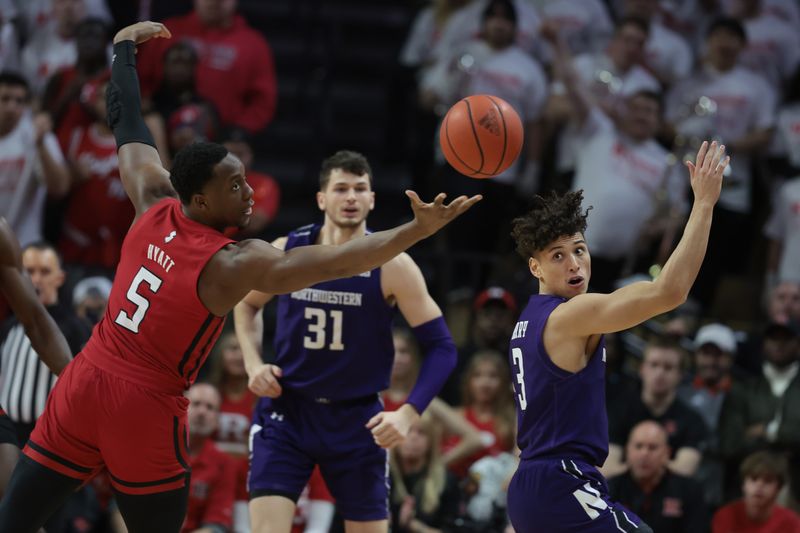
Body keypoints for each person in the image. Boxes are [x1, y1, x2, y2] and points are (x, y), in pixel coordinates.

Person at [0, 21, 479, 533]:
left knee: (15, 520)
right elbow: (341, 262)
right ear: (202, 199)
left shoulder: (153, 196)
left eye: (245, 178)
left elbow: (127, 121)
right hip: (144, 401)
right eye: (234, 184)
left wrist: (122, 52)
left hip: (85, 379)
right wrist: (416, 229)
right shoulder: (232, 261)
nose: (249, 191)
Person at [234, 148, 465, 533]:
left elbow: (443, 346)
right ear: (321, 198)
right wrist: (252, 362)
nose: (352, 197)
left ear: (373, 199)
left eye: (360, 188)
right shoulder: (287, 250)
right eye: (341, 189)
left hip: (357, 419)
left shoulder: (394, 265)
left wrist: (408, 414)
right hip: (288, 410)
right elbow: (246, 306)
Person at [505, 139, 728, 533]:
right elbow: (669, 292)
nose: (574, 264)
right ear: (535, 268)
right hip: (561, 482)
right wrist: (704, 205)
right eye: (557, 256)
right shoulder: (570, 314)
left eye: (579, 249)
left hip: (535, 485)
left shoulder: (528, 319)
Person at [0, 218, 72, 498]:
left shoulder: (2, 233)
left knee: (15, 513)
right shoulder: (8, 330)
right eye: (33, 271)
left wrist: (81, 395)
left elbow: (38, 322)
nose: (37, 278)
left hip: (37, 429)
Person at [0, 241, 91, 445]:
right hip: (8, 434)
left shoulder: (76, 328)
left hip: (48, 439)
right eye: (29, 272)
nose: (36, 280)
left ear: (60, 278)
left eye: (45, 272)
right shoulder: (9, 326)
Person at [604, 337, 708, 479]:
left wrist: (636, 463)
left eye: (668, 367)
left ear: (680, 375)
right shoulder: (617, 411)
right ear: (642, 369)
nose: (660, 373)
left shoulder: (692, 420)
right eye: (654, 365)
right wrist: (659, 463)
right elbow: (607, 469)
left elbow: (684, 471)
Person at [608, 421, 709, 533]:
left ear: (667, 452)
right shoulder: (609, 488)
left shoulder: (689, 490)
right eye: (638, 446)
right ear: (627, 450)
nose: (644, 454)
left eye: (652, 447)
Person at [181, 383, 236, 533]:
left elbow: (216, 526)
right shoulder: (155, 450)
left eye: (210, 407)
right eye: (196, 404)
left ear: (218, 420)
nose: (202, 412)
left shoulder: (225, 464)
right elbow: (121, 506)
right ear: (181, 408)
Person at [712, 450, 800, 533]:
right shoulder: (725, 516)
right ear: (743, 485)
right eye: (753, 479)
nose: (759, 486)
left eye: (768, 481)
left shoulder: (791, 522)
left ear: (778, 488)